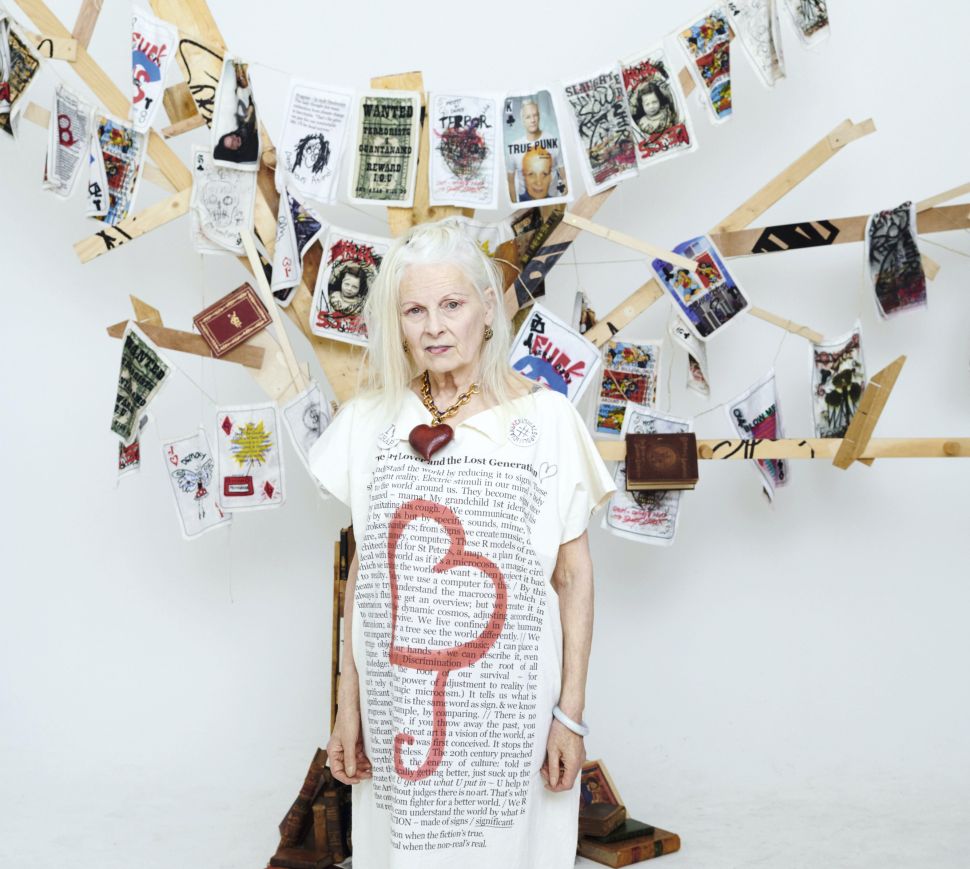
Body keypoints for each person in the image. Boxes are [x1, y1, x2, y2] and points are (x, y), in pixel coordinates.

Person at [308, 218, 615, 868]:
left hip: (507, 713)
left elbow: (574, 576)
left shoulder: (547, 418)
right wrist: (347, 703)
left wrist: (573, 714)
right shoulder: (370, 421)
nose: (435, 326)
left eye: (452, 304)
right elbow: (369, 571)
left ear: (486, 308)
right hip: (402, 712)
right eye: (414, 309)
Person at [505, 96, 566, 202]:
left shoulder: (553, 141)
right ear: (522, 120)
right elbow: (510, 182)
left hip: (552, 198)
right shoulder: (513, 147)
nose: (532, 120)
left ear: (539, 117)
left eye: (535, 115)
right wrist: (516, 205)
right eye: (528, 117)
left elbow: (564, 174)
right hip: (526, 201)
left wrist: (564, 198)